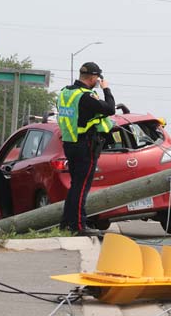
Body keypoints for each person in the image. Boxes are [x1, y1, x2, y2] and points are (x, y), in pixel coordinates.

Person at [57, 62, 116, 236]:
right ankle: (79, 225)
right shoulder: (86, 96)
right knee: (82, 187)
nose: (98, 81)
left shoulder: (65, 93)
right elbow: (110, 108)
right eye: (97, 78)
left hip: (69, 142)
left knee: (76, 185)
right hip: (85, 145)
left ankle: (66, 223)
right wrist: (106, 89)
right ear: (92, 78)